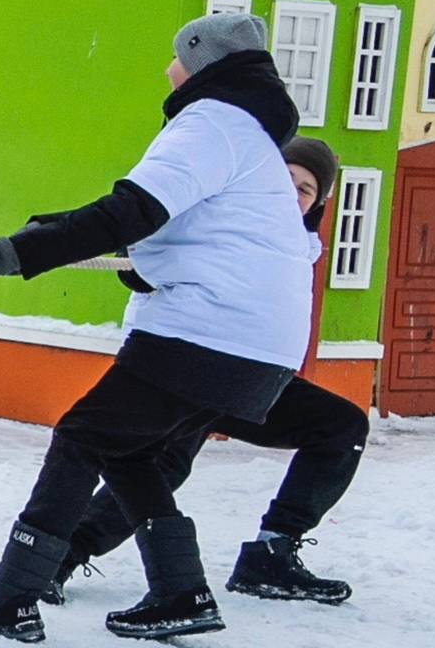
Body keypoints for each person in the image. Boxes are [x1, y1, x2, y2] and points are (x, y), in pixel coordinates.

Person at [0, 12, 310, 644]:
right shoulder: (250, 135)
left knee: (83, 433)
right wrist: (57, 233)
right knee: (127, 446)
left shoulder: (210, 121)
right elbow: (180, 227)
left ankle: (14, 596)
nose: (168, 70)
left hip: (208, 330)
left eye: (176, 57)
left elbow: (132, 210)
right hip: (261, 346)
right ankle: (180, 591)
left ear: (199, 64)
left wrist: (12, 254)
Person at [55, 136, 368, 606]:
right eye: (282, 181)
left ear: (315, 206)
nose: (289, 195)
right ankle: (60, 557)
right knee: (160, 466)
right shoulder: (223, 218)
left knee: (341, 426)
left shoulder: (298, 247)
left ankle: (272, 552)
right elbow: (146, 253)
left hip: (251, 380)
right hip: (180, 368)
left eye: (304, 190)